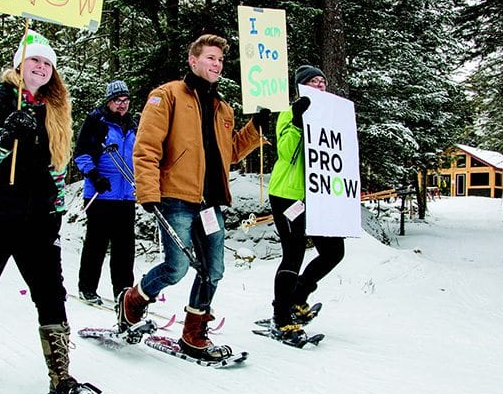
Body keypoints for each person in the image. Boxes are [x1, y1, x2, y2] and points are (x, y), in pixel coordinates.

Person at [0, 29, 100, 394]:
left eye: (48, 63)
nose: (41, 67)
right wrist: (3, 136)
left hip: (38, 221)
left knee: (51, 294)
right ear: (20, 62)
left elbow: (57, 169)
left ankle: (61, 378)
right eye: (35, 60)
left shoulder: (55, 110)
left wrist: (57, 210)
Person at [121, 33, 271, 360]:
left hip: (210, 201)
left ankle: (193, 334)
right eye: (210, 58)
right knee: (175, 268)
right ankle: (134, 299)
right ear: (193, 60)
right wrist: (147, 191)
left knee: (213, 270)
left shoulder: (222, 108)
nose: (217, 64)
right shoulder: (167, 96)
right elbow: (146, 148)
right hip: (175, 196)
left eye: (220, 60)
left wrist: (255, 127)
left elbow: (228, 152)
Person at [266, 65, 345, 340]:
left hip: (319, 196)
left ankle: (299, 295)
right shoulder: (289, 113)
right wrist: (298, 123)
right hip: (288, 194)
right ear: (302, 87)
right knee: (294, 252)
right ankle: (281, 314)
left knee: (334, 250)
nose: (320, 86)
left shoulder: (331, 116)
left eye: (323, 82)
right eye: (313, 82)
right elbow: (286, 153)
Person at [73, 80, 138, 305]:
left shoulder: (133, 124)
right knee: (96, 244)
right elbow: (81, 154)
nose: (122, 105)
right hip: (100, 194)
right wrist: (94, 175)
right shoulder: (96, 122)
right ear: (108, 101)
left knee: (125, 247)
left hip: (127, 195)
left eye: (125, 100)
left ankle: (123, 291)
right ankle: (87, 287)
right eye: (117, 101)